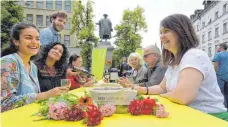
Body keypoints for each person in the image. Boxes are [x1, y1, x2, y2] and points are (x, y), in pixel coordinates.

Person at [122, 14, 227, 120]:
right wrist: (139, 89)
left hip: (210, 117)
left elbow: (183, 96)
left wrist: (162, 96)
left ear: (181, 31)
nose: (161, 36)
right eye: (161, 33)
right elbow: (162, 87)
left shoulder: (194, 55)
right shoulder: (174, 60)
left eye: (166, 31)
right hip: (188, 114)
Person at [1, 22, 68, 112]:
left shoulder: (33, 67)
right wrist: (44, 95)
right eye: (28, 38)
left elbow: (35, 99)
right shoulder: (9, 62)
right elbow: (4, 103)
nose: (34, 42)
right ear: (16, 41)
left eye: (37, 39)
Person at [213, 43, 228, 108]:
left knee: (221, 93)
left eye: (217, 47)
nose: (217, 48)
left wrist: (215, 74)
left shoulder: (218, 55)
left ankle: (223, 108)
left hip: (220, 76)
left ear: (221, 47)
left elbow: (215, 66)